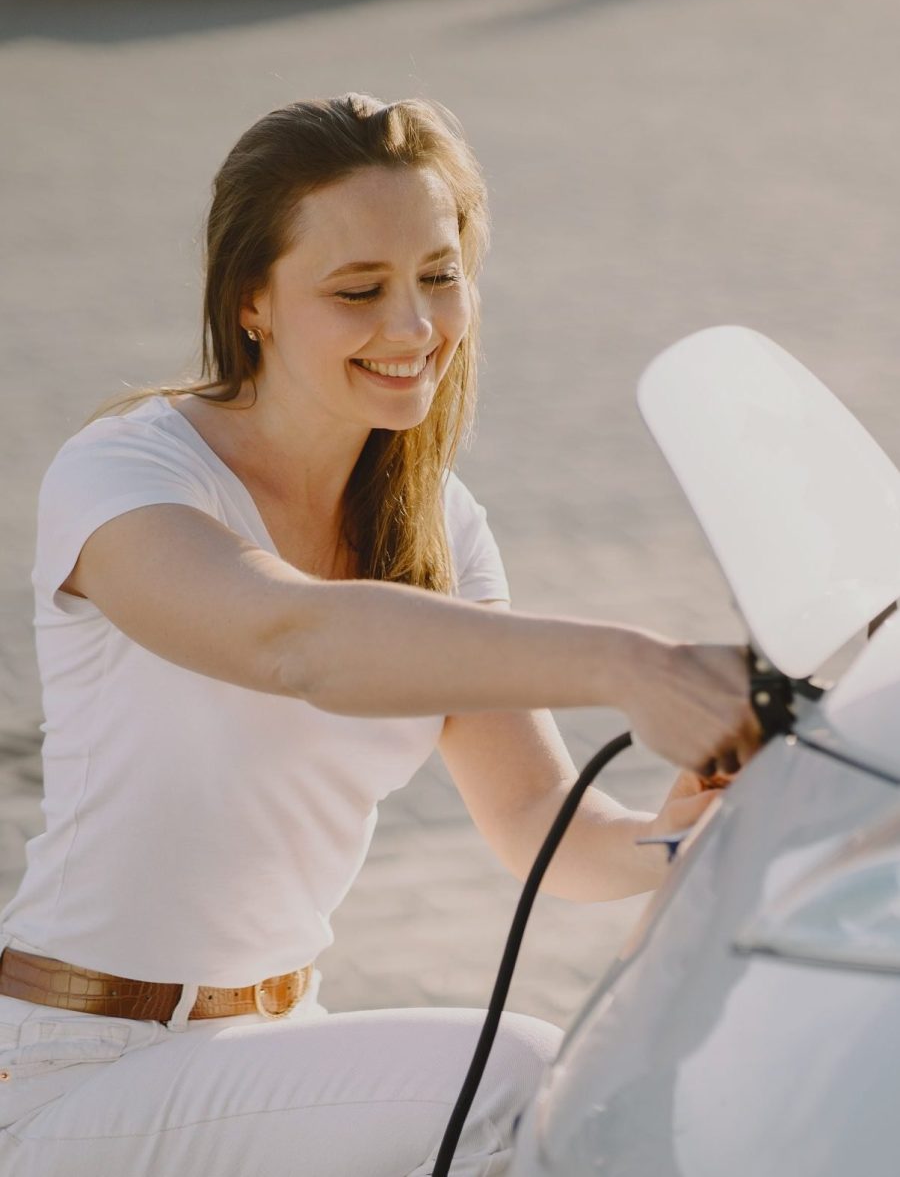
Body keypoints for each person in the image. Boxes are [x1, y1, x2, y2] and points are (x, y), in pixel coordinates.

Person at [0, 94, 760, 1177]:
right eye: (359, 290)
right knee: (516, 1081)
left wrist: (691, 831)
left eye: (439, 277)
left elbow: (545, 823)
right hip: (77, 1069)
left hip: (281, 1051)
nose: (413, 328)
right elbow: (293, 640)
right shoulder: (129, 475)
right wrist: (628, 662)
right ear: (251, 300)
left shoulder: (440, 524)